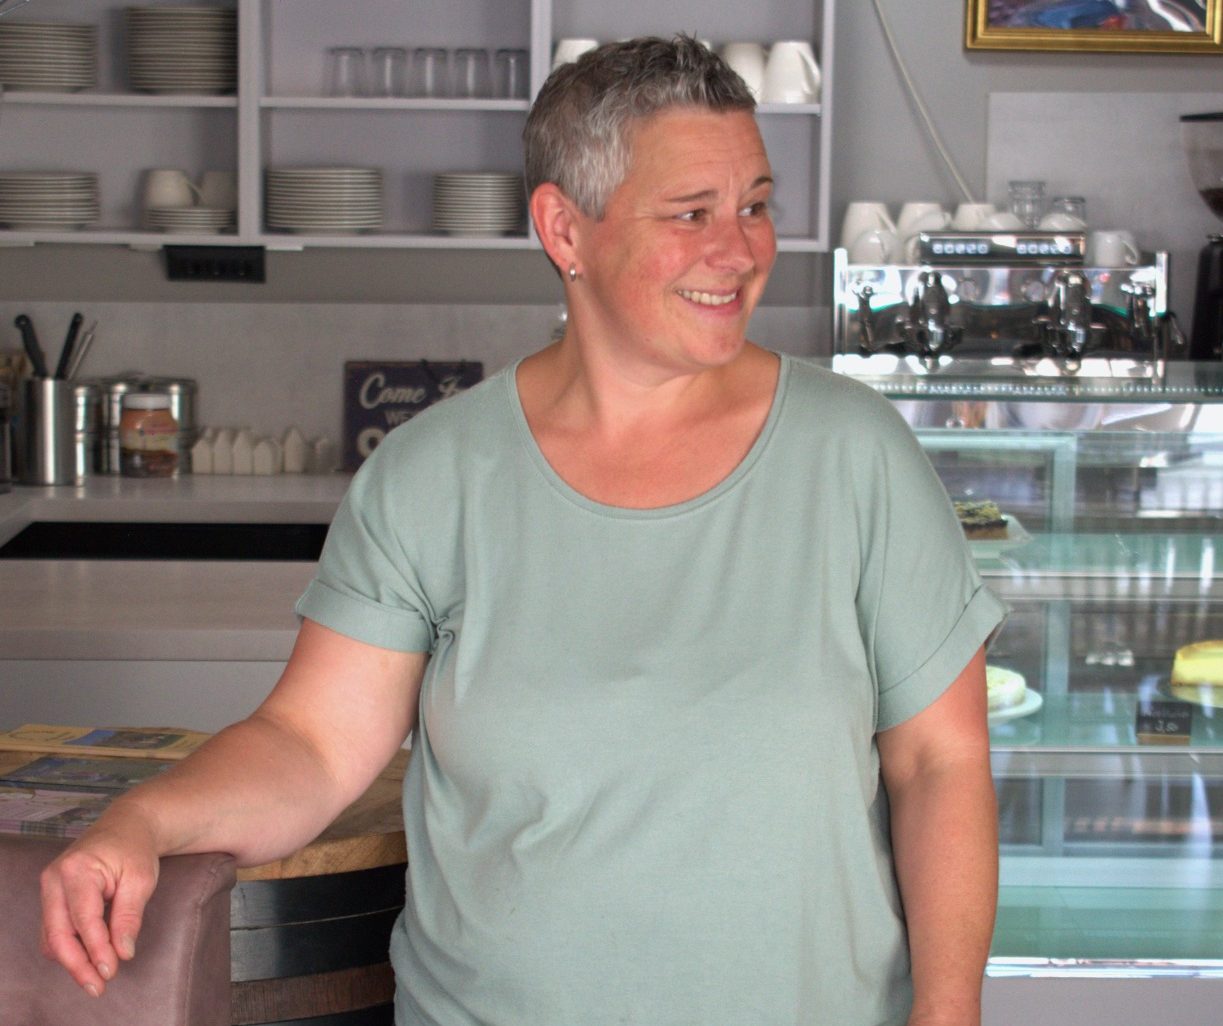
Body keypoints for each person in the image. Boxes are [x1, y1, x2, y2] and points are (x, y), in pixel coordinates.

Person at [41, 36, 1007, 1026]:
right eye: (691, 213)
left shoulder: (855, 456)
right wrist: (142, 820)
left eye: (753, 205)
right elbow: (311, 745)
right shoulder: (432, 477)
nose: (739, 249)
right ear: (563, 229)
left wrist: (946, 1014)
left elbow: (938, 765)